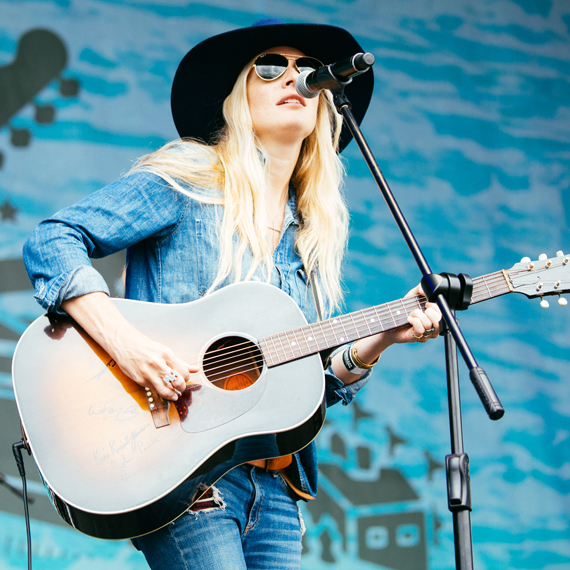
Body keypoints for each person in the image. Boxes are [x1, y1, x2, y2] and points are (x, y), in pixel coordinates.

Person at [23, 18, 441, 570]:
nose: (296, 77)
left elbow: (302, 387)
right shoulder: (184, 184)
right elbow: (52, 240)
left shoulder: (307, 236)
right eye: (272, 66)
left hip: (277, 488)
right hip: (186, 477)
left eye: (309, 69)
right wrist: (128, 346)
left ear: (324, 108)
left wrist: (380, 339)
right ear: (237, 97)